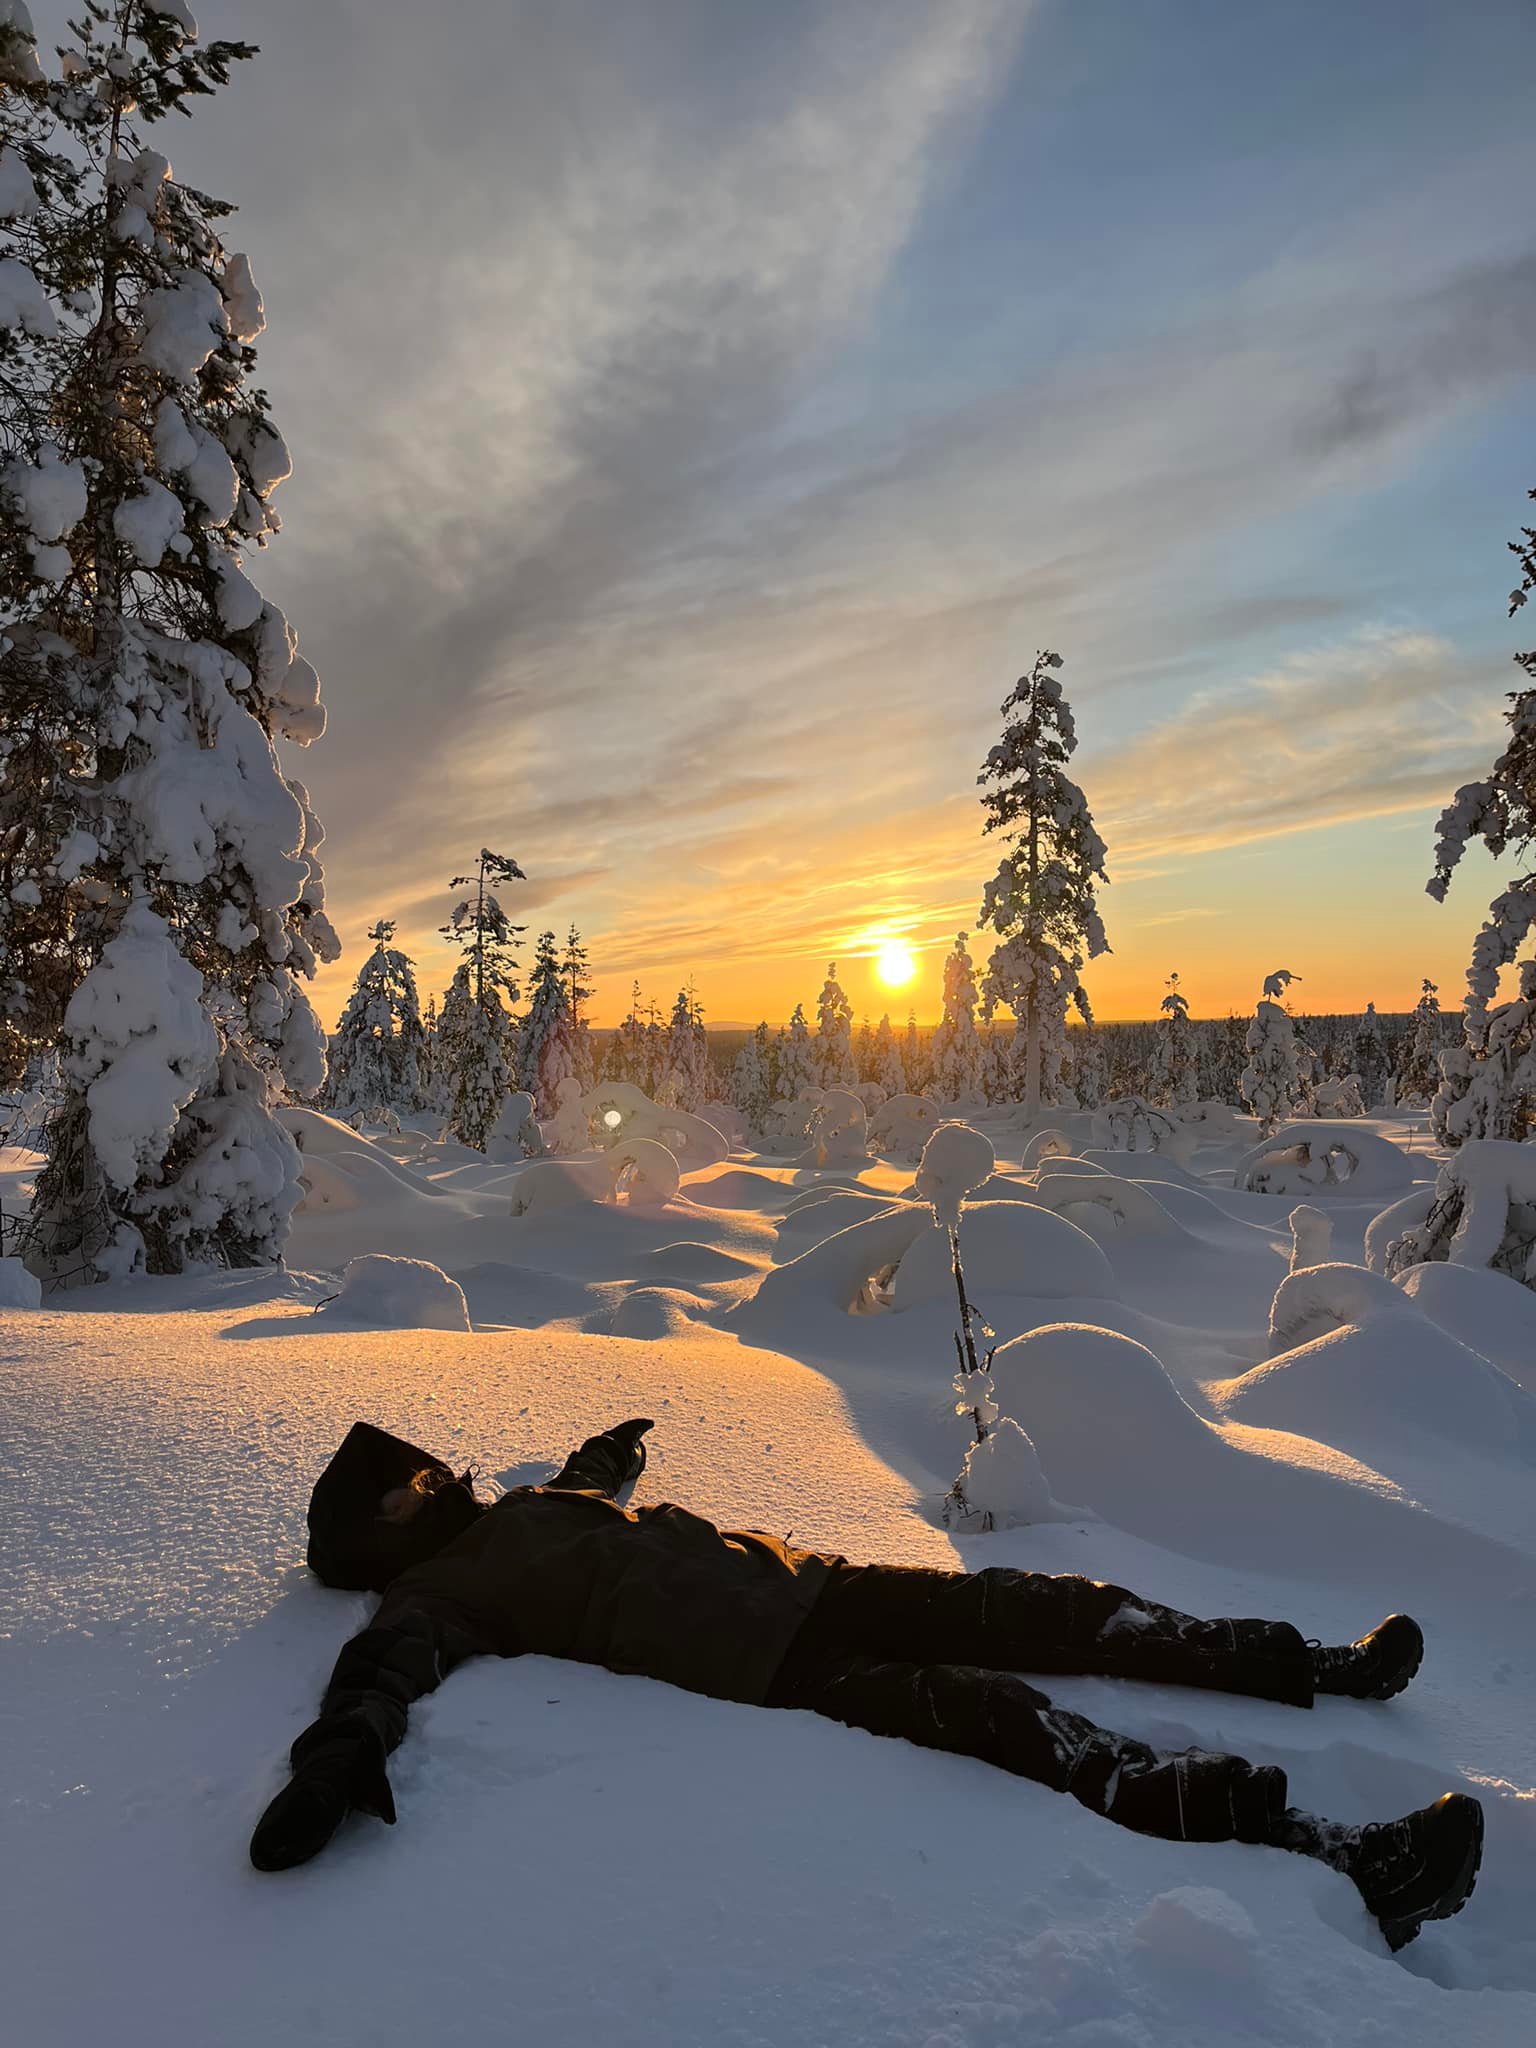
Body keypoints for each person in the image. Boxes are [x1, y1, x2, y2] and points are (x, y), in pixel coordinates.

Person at [250, 1418, 1483, 1952]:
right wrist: (335, 1761)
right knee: (1023, 1725)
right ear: (378, 1539)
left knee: (1056, 1608)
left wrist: (607, 1455)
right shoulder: (437, 1594)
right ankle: (1338, 1854)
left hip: (814, 1581)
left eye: (419, 1470)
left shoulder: (518, 1505)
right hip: (774, 1660)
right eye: (404, 1490)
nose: (429, 1480)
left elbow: (588, 1496)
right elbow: (378, 1677)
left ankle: (1311, 1663)